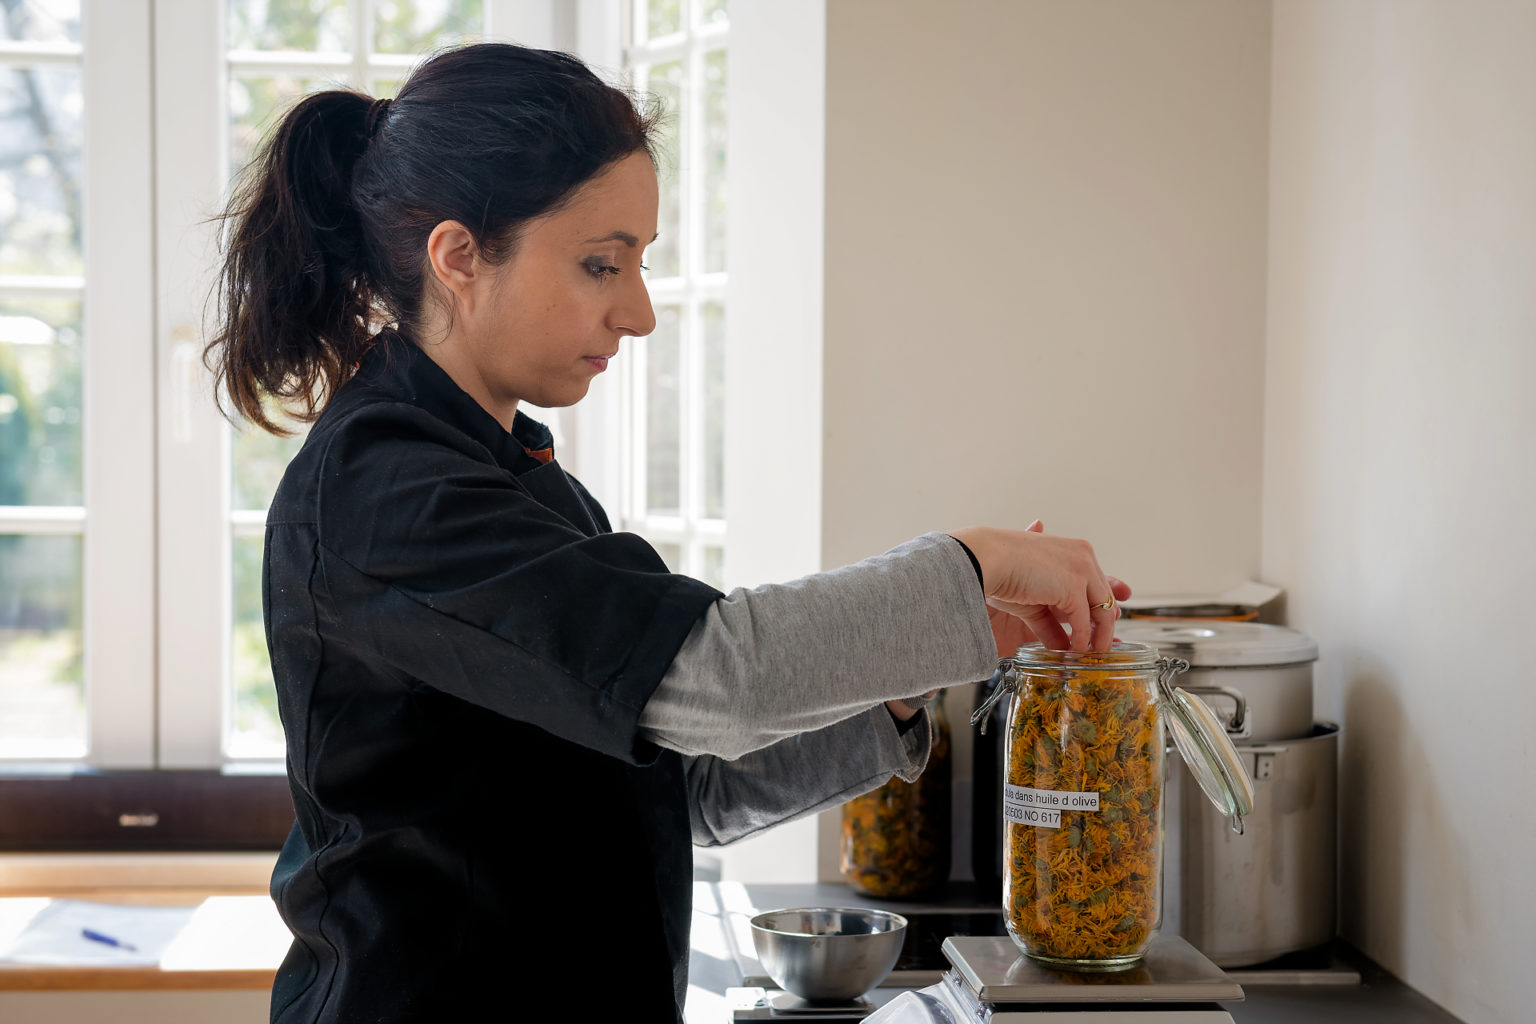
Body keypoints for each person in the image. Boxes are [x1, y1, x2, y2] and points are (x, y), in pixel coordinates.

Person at [205, 42, 1130, 1024]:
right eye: (602, 263)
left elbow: (673, 791)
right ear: (460, 256)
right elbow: (720, 676)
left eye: (639, 264)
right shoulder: (386, 488)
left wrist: (900, 694)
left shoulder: (515, 480)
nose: (638, 311)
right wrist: (972, 563)